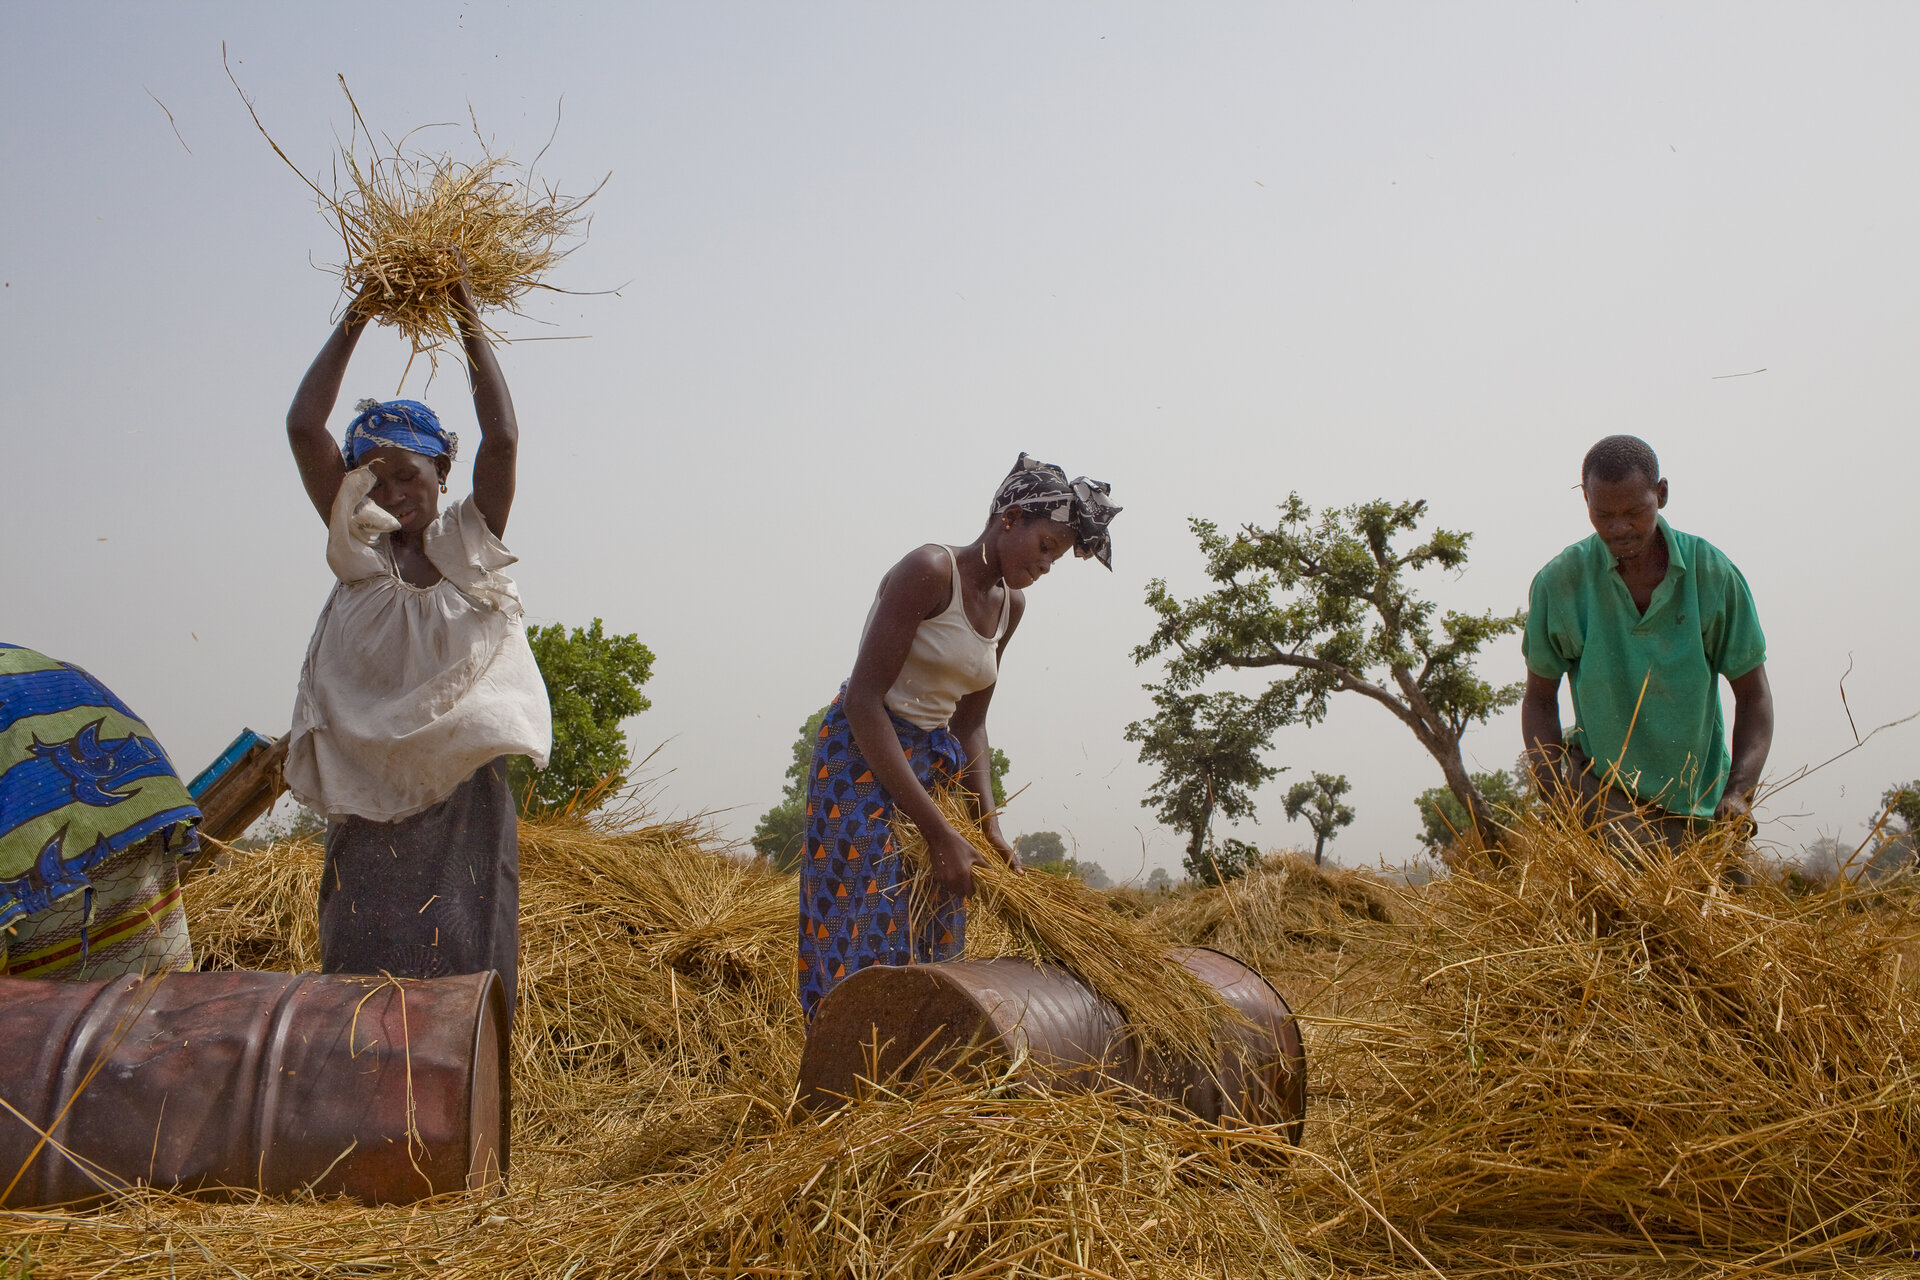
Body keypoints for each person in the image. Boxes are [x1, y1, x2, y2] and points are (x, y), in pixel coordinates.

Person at [281, 268, 551, 1016]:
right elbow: (305, 428)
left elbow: (503, 436)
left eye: (408, 472)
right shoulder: (360, 554)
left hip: (462, 802)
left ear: (442, 469)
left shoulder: (470, 546)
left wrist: (465, 312)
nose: (391, 492)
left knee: (465, 976)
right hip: (368, 804)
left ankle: (460, 1122)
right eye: (371, 479)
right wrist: (360, 312)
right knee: (361, 981)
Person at [797, 454, 1120, 1021]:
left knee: (936, 926)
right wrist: (938, 830)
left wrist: (986, 823)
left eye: (1058, 558)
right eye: (1045, 546)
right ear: (1010, 518)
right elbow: (864, 701)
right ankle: (844, 1073)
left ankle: (921, 1085)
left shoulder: (1009, 608)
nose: (1047, 565)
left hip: (932, 768)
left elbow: (969, 723)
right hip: (862, 759)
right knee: (864, 928)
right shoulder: (929, 570)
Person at [1521, 435, 1773, 859]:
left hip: (1702, 811)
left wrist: (1738, 794)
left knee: (1720, 919)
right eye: (1603, 515)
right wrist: (1556, 795)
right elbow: (1540, 700)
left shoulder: (1711, 574)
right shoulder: (1560, 583)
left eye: (1635, 513)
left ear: (1662, 494)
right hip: (1603, 808)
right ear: (1585, 500)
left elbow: (1754, 695)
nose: (1619, 529)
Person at [0, 643, 200, 978]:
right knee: (162, 1007)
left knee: (50, 1019)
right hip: (137, 810)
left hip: (41, 833)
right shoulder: (41, 665)